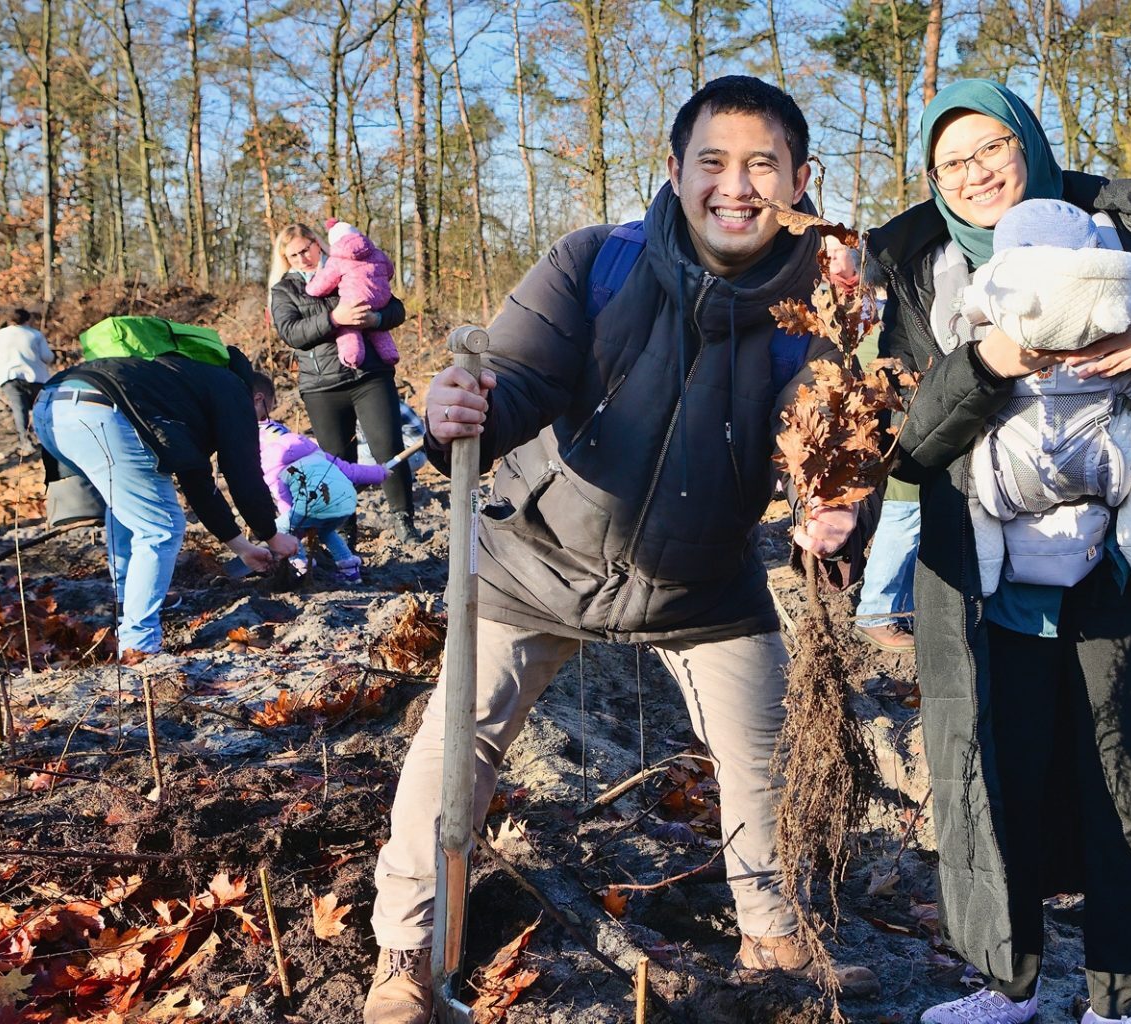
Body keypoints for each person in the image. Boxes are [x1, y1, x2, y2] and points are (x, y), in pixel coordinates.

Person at [362, 76, 876, 1024]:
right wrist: (455, 413)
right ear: (675, 171)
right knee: (453, 748)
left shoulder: (823, 311)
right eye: (712, 163)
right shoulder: (596, 262)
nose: (736, 186)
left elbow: (835, 449)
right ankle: (407, 955)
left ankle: (772, 931)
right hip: (534, 561)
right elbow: (514, 377)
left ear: (801, 177)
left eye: (762, 164)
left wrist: (840, 511)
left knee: (763, 758)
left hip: (702, 581)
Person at [865, 79, 1131, 1024]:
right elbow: (906, 446)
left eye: (990, 151)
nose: (973, 176)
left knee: (1120, 781)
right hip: (984, 586)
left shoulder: (1123, 239)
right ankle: (1007, 986)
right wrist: (984, 368)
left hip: (1120, 583)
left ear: (1030, 147)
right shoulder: (918, 272)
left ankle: (1113, 998)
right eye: (951, 163)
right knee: (994, 777)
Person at [957, 197, 1131, 596]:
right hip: (1100, 446)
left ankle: (980, 573)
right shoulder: (1113, 333)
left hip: (1008, 461)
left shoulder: (985, 326)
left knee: (972, 488)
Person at [31, 348, 299, 659]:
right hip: (101, 411)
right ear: (257, 398)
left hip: (48, 407)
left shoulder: (178, 385)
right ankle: (139, 643)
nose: (263, 421)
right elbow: (243, 473)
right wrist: (271, 535)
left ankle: (127, 603)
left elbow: (197, 480)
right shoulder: (233, 390)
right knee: (161, 526)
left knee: (129, 507)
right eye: (266, 410)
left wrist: (243, 548)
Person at [268, 223, 421, 541]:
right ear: (285, 257)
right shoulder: (284, 291)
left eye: (306, 249)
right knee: (336, 461)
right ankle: (344, 526)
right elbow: (292, 333)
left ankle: (403, 521)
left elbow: (394, 307)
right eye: (293, 254)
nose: (302, 258)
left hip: (369, 376)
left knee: (388, 447)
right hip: (322, 386)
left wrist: (376, 320)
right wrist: (335, 319)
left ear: (317, 243)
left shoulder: (351, 266)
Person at [843, 242, 922, 653]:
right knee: (905, 517)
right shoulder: (888, 318)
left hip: (895, 434)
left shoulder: (872, 312)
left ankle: (899, 608)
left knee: (910, 518)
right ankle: (876, 611)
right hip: (900, 435)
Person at [250, 373, 388, 583]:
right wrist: (380, 473)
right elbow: (348, 470)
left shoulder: (266, 450)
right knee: (326, 531)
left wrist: (292, 521)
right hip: (339, 505)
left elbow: (279, 490)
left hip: (306, 507)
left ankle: (300, 566)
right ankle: (350, 570)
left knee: (280, 529)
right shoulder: (304, 445)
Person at [305, 219, 401, 369]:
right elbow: (389, 271)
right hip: (381, 301)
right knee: (378, 329)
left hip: (354, 302)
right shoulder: (377, 253)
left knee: (348, 327)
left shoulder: (337, 260)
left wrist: (310, 286)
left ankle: (352, 356)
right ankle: (389, 353)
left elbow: (321, 286)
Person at [0, 307, 56, 454]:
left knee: (19, 409)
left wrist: (0, 369)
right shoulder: (35, 335)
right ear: (27, 319)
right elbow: (47, 357)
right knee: (38, 409)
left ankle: (24, 440)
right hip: (35, 377)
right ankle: (45, 439)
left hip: (9, 378)